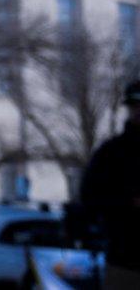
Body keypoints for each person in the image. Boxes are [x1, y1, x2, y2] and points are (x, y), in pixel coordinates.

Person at [80, 80, 140, 289]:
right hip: (125, 261)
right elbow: (90, 198)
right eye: (136, 106)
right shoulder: (111, 153)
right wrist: (127, 203)